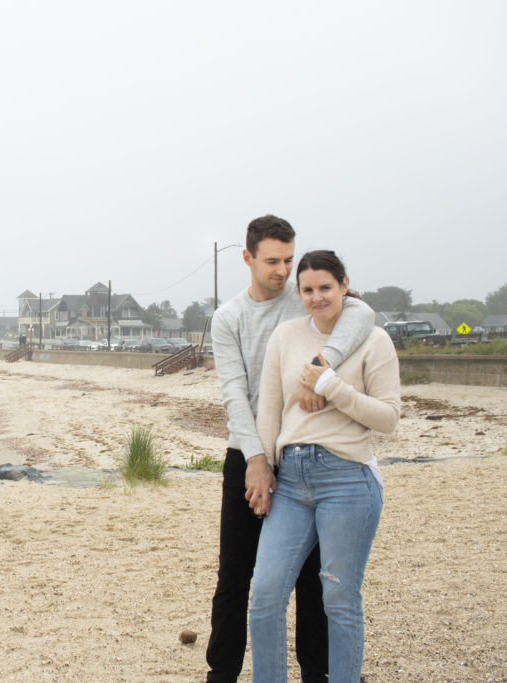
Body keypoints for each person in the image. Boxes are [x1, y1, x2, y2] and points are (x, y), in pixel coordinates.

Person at [205, 216, 375, 683]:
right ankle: (222, 675)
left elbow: (361, 312)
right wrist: (256, 461)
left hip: (306, 451)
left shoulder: (306, 300)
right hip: (248, 452)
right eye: (272, 261)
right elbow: (234, 394)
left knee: (311, 580)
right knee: (235, 576)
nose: (282, 270)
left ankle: (317, 675)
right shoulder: (228, 318)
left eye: (287, 259)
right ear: (248, 258)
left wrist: (321, 368)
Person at [249, 250, 400, 682]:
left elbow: (388, 418)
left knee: (339, 598)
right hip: (292, 481)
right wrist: (264, 466)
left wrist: (331, 386)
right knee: (265, 594)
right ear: (299, 294)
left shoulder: (375, 340)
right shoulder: (286, 336)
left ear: (344, 285)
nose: (317, 297)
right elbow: (270, 413)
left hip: (348, 480)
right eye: (308, 290)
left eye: (325, 288)